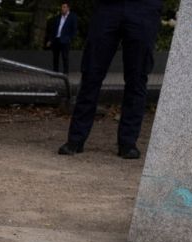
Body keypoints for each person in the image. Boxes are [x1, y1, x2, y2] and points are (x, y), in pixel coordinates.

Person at [58, 0, 157, 158]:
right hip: (107, 7)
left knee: (137, 78)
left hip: (144, 8)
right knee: (91, 74)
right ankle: (76, 139)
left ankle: (128, 142)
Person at [43, 1, 78, 74]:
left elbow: (74, 29)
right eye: (62, 7)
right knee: (55, 57)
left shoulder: (72, 17)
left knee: (65, 57)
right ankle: (55, 72)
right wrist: (50, 40)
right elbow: (54, 29)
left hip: (65, 40)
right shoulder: (58, 17)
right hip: (56, 39)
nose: (62, 9)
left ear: (68, 8)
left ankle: (65, 73)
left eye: (64, 7)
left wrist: (69, 38)